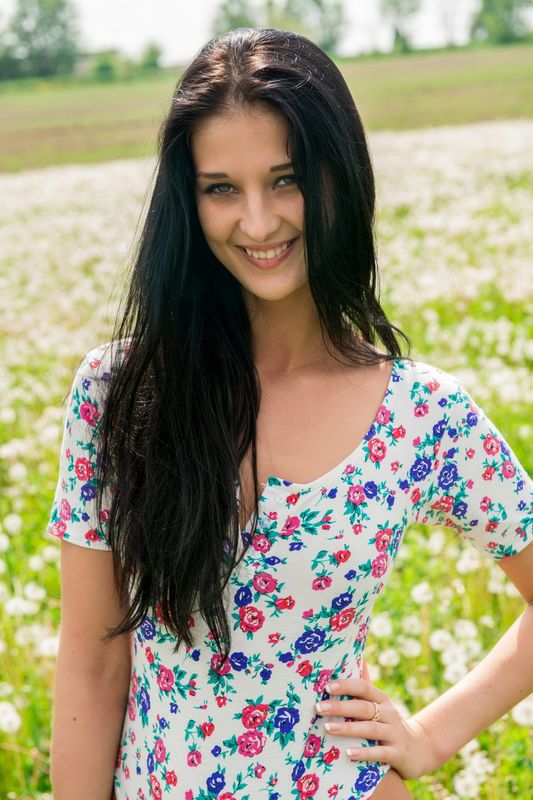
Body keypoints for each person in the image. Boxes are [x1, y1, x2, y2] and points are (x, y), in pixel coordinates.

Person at [48, 27, 532, 800]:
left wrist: (433, 734)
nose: (258, 221)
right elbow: (91, 660)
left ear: (339, 176)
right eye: (220, 189)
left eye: (286, 179)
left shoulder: (421, 415)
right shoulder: (120, 392)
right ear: (187, 199)